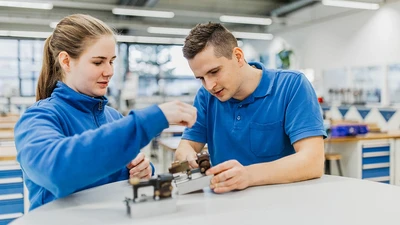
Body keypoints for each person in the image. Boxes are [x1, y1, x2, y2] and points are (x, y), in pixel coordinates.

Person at [14, 14, 197, 210]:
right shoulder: (38, 118)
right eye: (98, 62)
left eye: (111, 61)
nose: (109, 71)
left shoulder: (113, 117)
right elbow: (57, 172)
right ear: (66, 62)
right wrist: (149, 121)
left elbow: (119, 172)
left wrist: (143, 169)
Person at [175, 22, 327, 194]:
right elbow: (186, 145)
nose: (209, 85)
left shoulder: (291, 86)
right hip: (225, 202)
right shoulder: (206, 96)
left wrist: (248, 175)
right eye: (201, 78)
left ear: (238, 57)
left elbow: (312, 162)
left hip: (284, 201)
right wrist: (185, 155)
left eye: (214, 71)